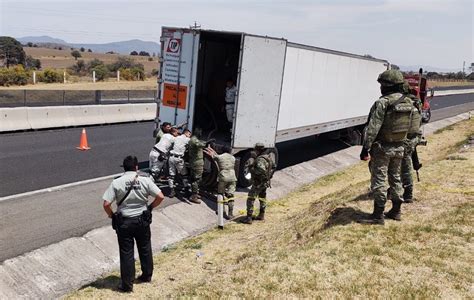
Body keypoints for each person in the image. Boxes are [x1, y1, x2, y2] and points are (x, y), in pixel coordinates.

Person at [102, 155, 165, 293]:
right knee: (145, 247)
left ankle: (127, 284)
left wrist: (112, 215)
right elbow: (160, 196)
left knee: (126, 253)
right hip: (142, 220)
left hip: (124, 221)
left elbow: (106, 204)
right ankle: (147, 275)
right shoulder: (145, 180)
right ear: (136, 167)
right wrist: (150, 207)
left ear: (124, 168)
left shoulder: (116, 183)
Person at [359, 69, 414, 225]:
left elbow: (373, 128)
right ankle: (396, 211)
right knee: (396, 178)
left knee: (379, 180)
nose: (381, 88)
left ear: (387, 86)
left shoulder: (383, 102)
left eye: (382, 84)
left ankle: (378, 215)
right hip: (400, 147)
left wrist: (365, 148)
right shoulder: (408, 102)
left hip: (383, 148)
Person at [399, 81, 423, 204]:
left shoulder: (403, 101)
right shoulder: (416, 101)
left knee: (404, 165)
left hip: (406, 137)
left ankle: (407, 192)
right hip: (414, 135)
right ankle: (406, 191)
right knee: (406, 164)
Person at [243, 143, 275, 224]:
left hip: (258, 183)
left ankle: (249, 218)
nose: (255, 151)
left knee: (251, 198)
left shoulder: (260, 159)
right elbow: (273, 166)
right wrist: (269, 176)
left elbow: (261, 169)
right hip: (265, 182)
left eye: (256, 150)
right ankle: (261, 214)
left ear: (258, 150)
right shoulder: (268, 157)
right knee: (262, 197)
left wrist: (252, 169)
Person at [204, 146, 237, 219]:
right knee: (231, 195)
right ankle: (230, 213)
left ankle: (222, 211)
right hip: (232, 177)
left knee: (220, 194)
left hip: (223, 177)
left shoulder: (220, 157)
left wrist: (209, 150)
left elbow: (212, 156)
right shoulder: (233, 158)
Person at [168, 129, 192, 198]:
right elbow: (193, 143)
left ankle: (172, 191)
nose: (189, 136)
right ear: (186, 133)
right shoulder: (186, 139)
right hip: (179, 159)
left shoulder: (177, 138)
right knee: (184, 175)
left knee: (171, 174)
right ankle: (187, 191)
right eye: (189, 134)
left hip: (171, 158)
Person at [188, 128, 207, 204]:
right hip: (197, 163)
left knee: (194, 178)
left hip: (194, 162)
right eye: (201, 132)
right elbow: (201, 144)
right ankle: (194, 196)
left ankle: (195, 193)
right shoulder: (194, 140)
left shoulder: (193, 139)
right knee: (197, 179)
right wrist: (208, 142)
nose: (201, 133)